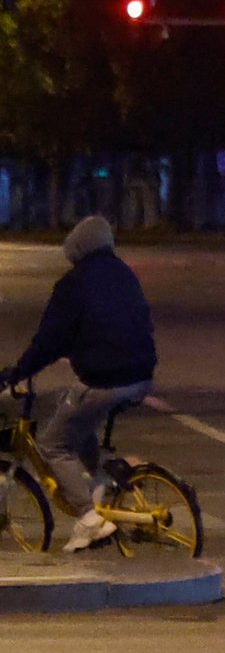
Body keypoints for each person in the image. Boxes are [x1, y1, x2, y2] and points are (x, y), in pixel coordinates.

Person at [0, 216, 156, 553]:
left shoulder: (73, 284)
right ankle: (101, 483)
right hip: (141, 376)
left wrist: (16, 373)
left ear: (78, 249)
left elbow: (48, 341)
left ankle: (89, 518)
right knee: (72, 408)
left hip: (106, 379)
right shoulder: (124, 274)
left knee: (52, 444)